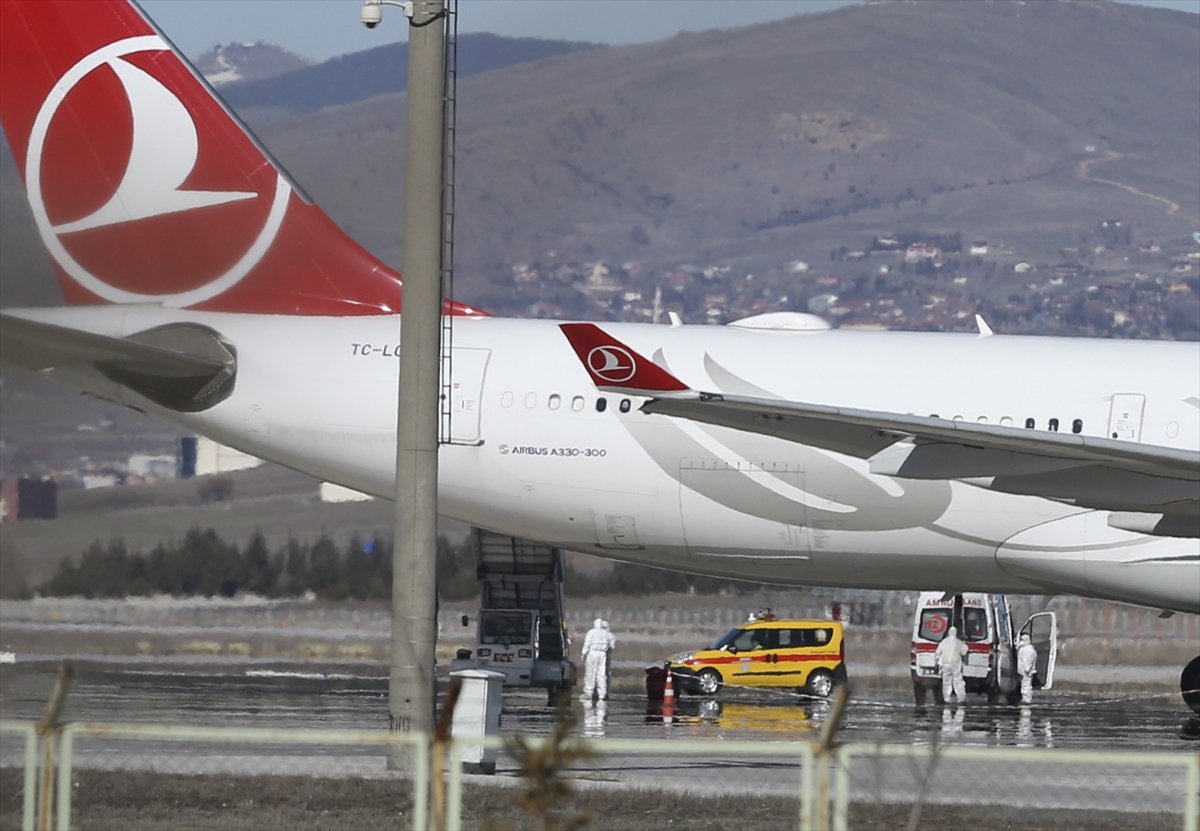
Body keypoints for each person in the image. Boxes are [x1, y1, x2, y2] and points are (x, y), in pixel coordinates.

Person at [580, 618, 614, 702]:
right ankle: (602, 694)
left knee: (590, 673)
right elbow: (611, 646)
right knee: (601, 674)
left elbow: (587, 643)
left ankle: (589, 693)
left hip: (592, 653)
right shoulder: (606, 634)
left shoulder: (591, 632)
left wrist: (583, 653)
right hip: (603, 654)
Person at [934, 625, 968, 703]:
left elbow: (937, 652)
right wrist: (964, 642)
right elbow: (964, 651)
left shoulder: (944, 641)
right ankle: (961, 698)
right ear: (956, 633)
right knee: (958, 681)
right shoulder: (958, 642)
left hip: (945, 664)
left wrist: (936, 662)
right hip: (956, 664)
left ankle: (947, 698)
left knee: (946, 682)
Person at [1016, 632, 1038, 704]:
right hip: (1022, 671)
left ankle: (1027, 700)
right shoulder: (1023, 648)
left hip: (1026, 672)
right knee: (1024, 685)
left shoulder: (1028, 649)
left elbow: (1028, 661)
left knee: (1026, 685)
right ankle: (1024, 699)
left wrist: (1027, 670)